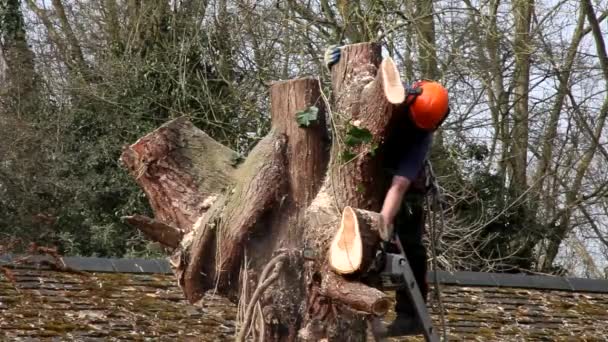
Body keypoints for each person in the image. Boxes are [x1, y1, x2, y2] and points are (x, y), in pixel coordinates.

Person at [325, 46, 450, 337]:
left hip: (403, 194)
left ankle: (410, 315)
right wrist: (335, 62)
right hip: (367, 171)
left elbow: (401, 184)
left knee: (410, 250)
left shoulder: (422, 133)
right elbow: (351, 90)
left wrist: (383, 219)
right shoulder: (392, 95)